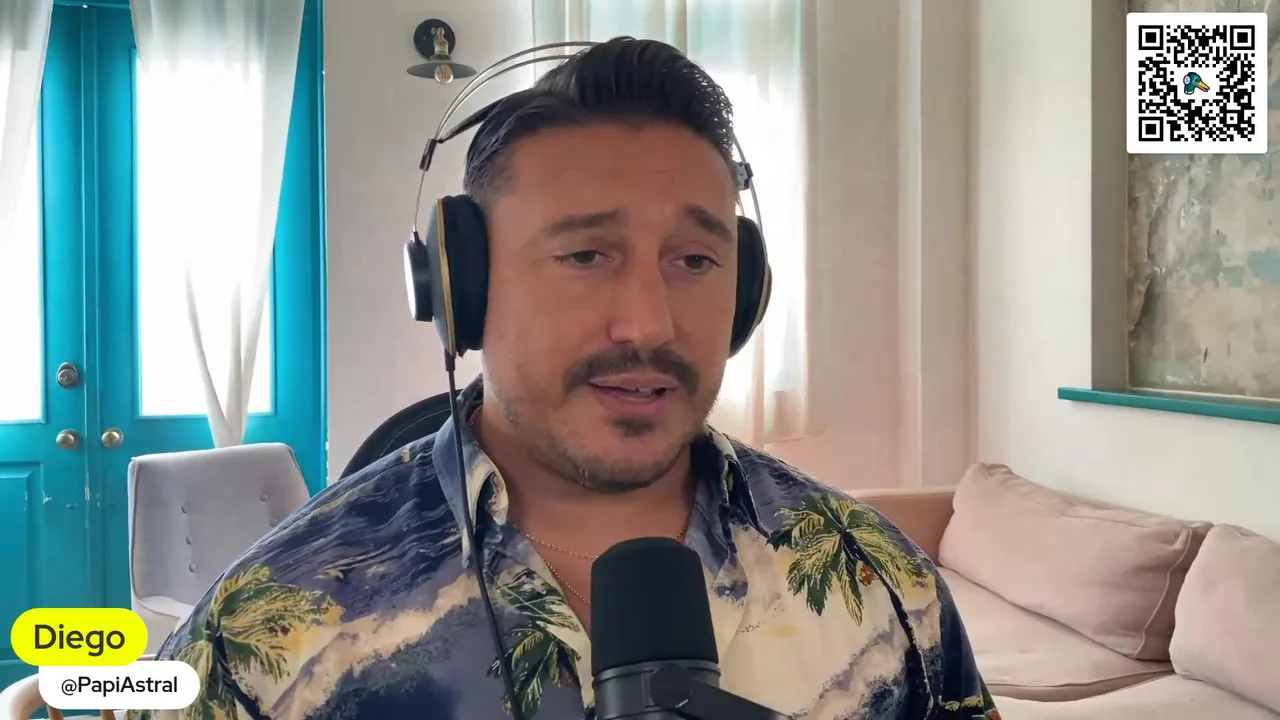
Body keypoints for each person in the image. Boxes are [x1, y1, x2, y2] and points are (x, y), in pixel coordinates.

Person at [130, 37, 999, 720]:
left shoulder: (884, 586)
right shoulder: (264, 631)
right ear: (461, 288)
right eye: (587, 255)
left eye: (695, 260)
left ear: (747, 293)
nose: (650, 324)